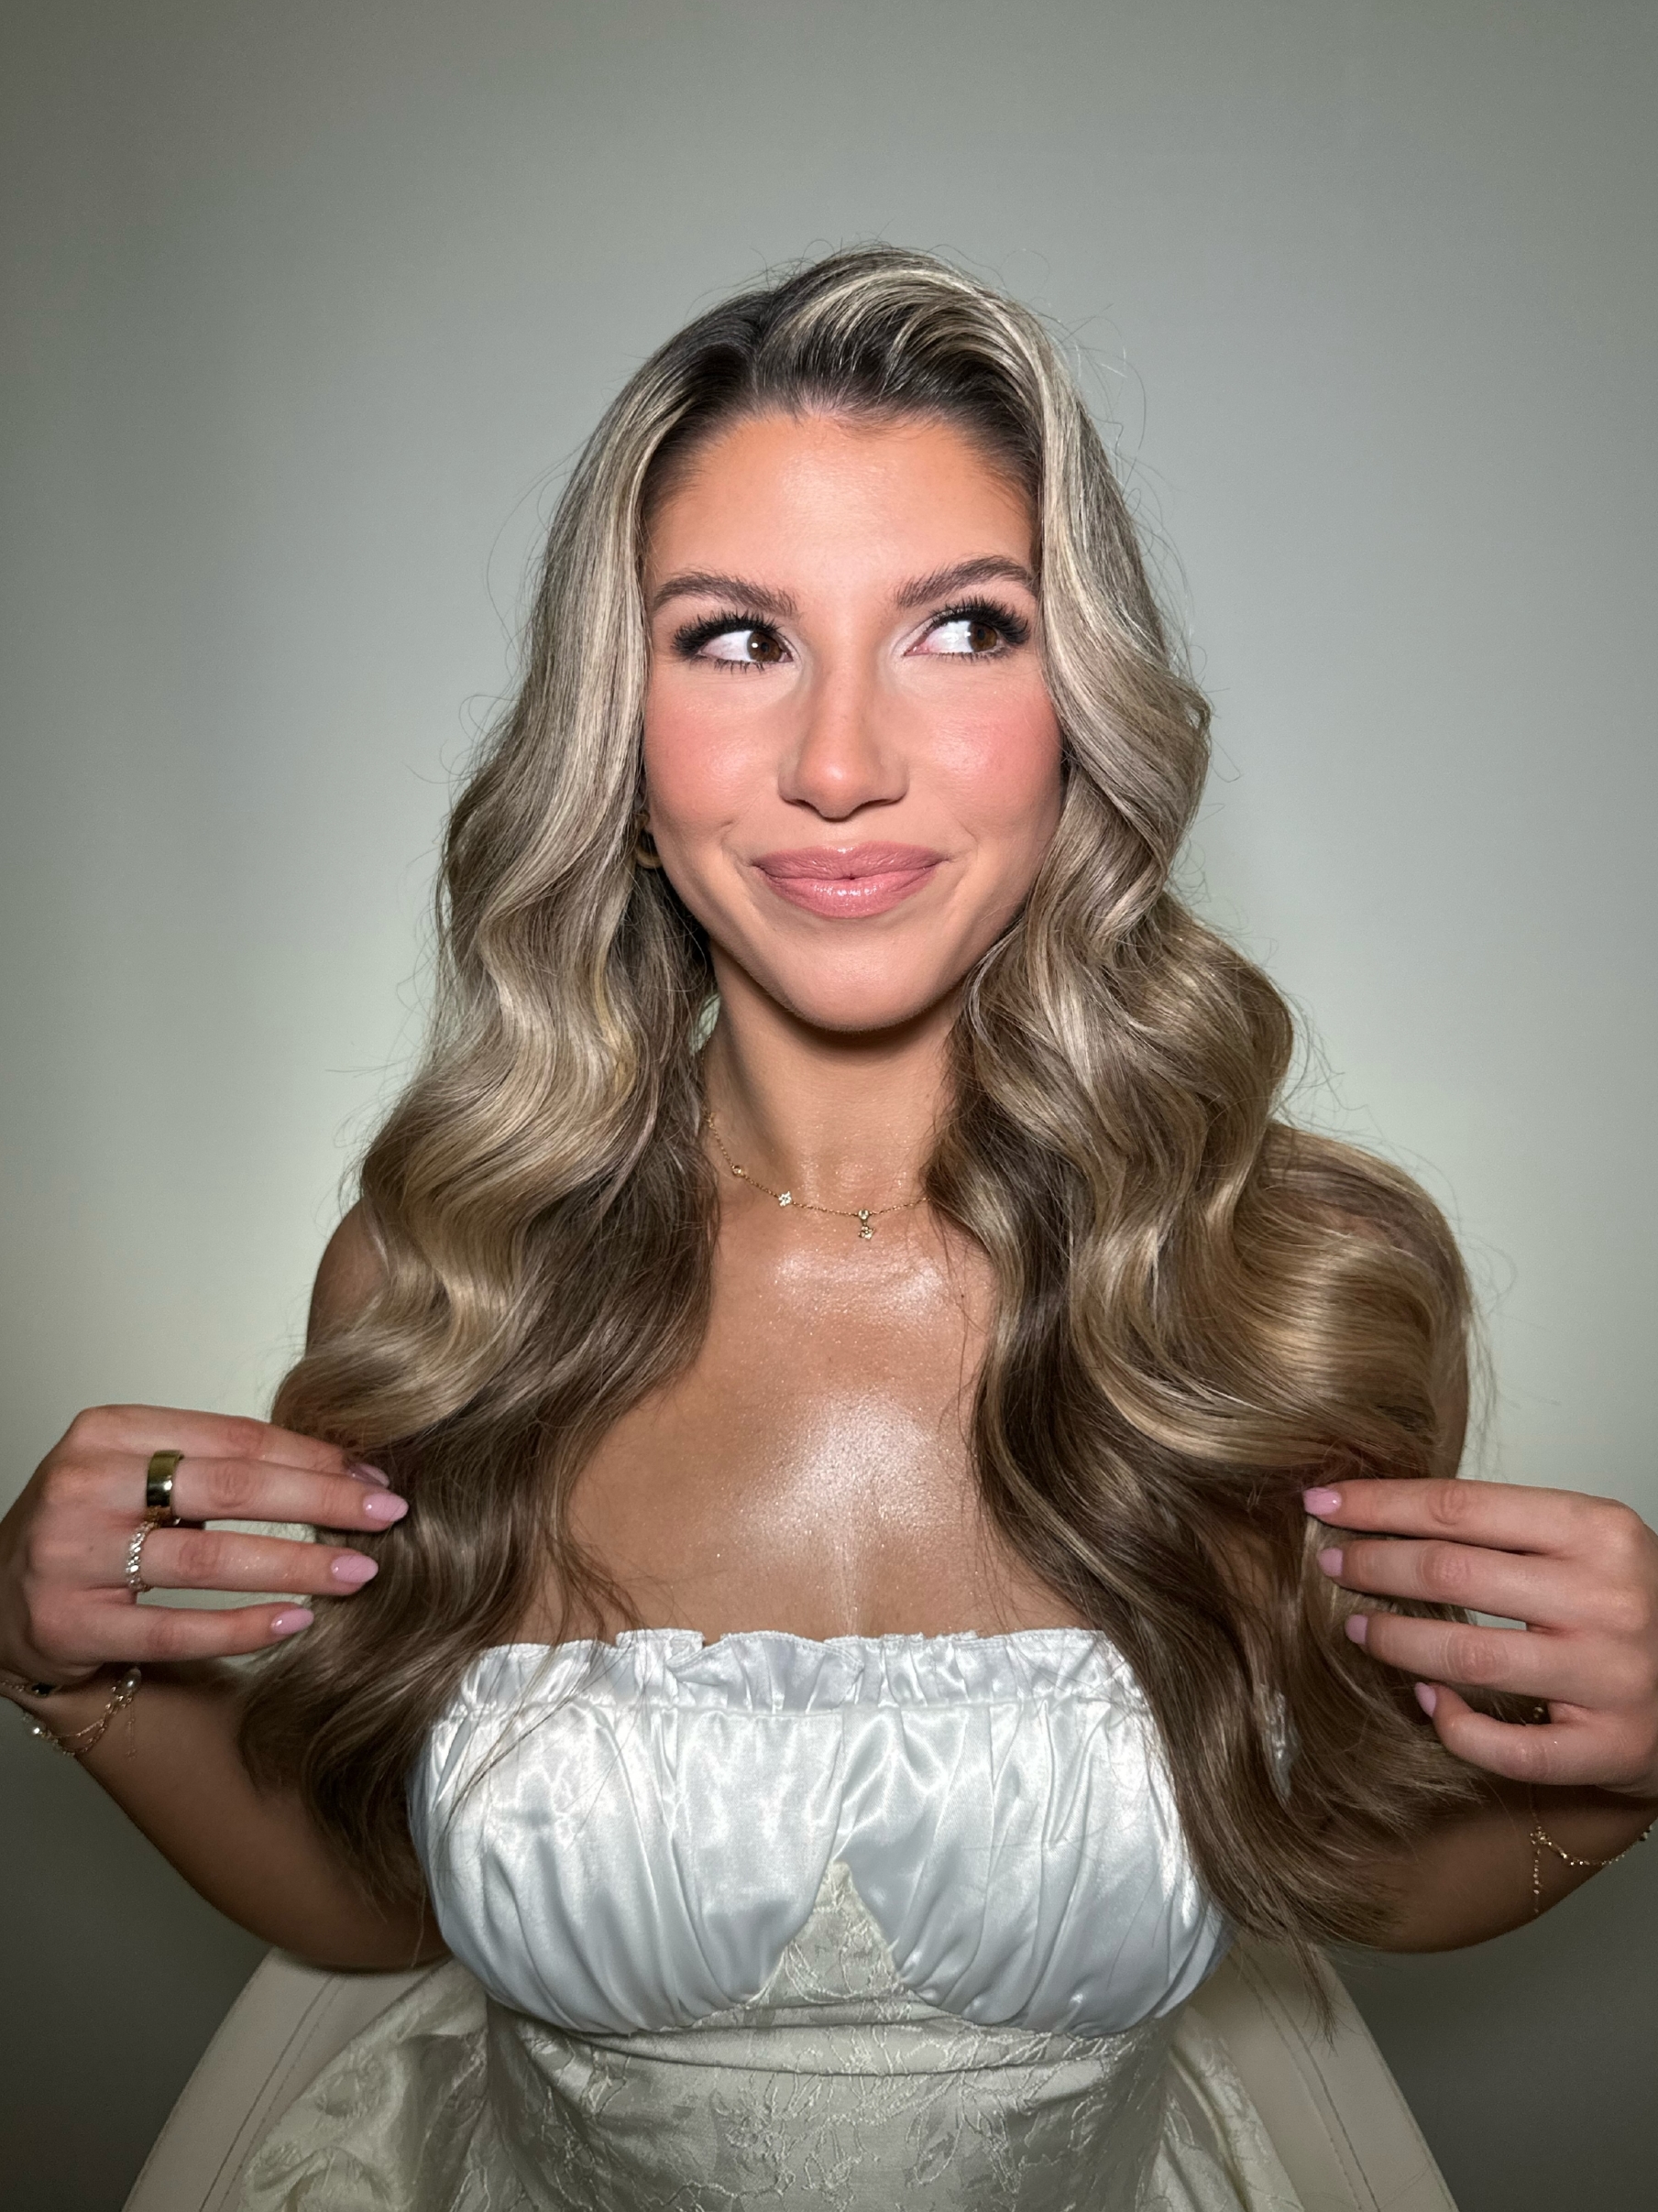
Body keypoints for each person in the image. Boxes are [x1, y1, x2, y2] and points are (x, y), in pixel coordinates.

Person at [4, 246, 1656, 2211]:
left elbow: (1339, 1875)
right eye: (732, 640)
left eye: (962, 628)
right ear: (615, 750)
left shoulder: (1275, 1288)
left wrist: (1629, 1768)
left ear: (1080, 724)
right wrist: (66, 1669)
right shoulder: (451, 1274)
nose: (842, 762)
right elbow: (386, 1912)